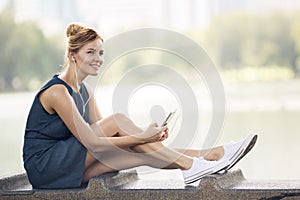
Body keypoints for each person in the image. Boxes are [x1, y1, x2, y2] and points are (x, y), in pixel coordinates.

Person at [22, 23, 258, 189]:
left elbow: (107, 141)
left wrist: (146, 139)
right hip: (46, 167)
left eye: (101, 52)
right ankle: (192, 166)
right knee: (119, 122)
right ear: (72, 55)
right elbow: (93, 142)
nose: (98, 59)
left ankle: (211, 155)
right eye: (90, 52)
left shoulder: (85, 92)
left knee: (140, 153)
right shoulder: (57, 91)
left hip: (68, 169)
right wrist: (142, 137)